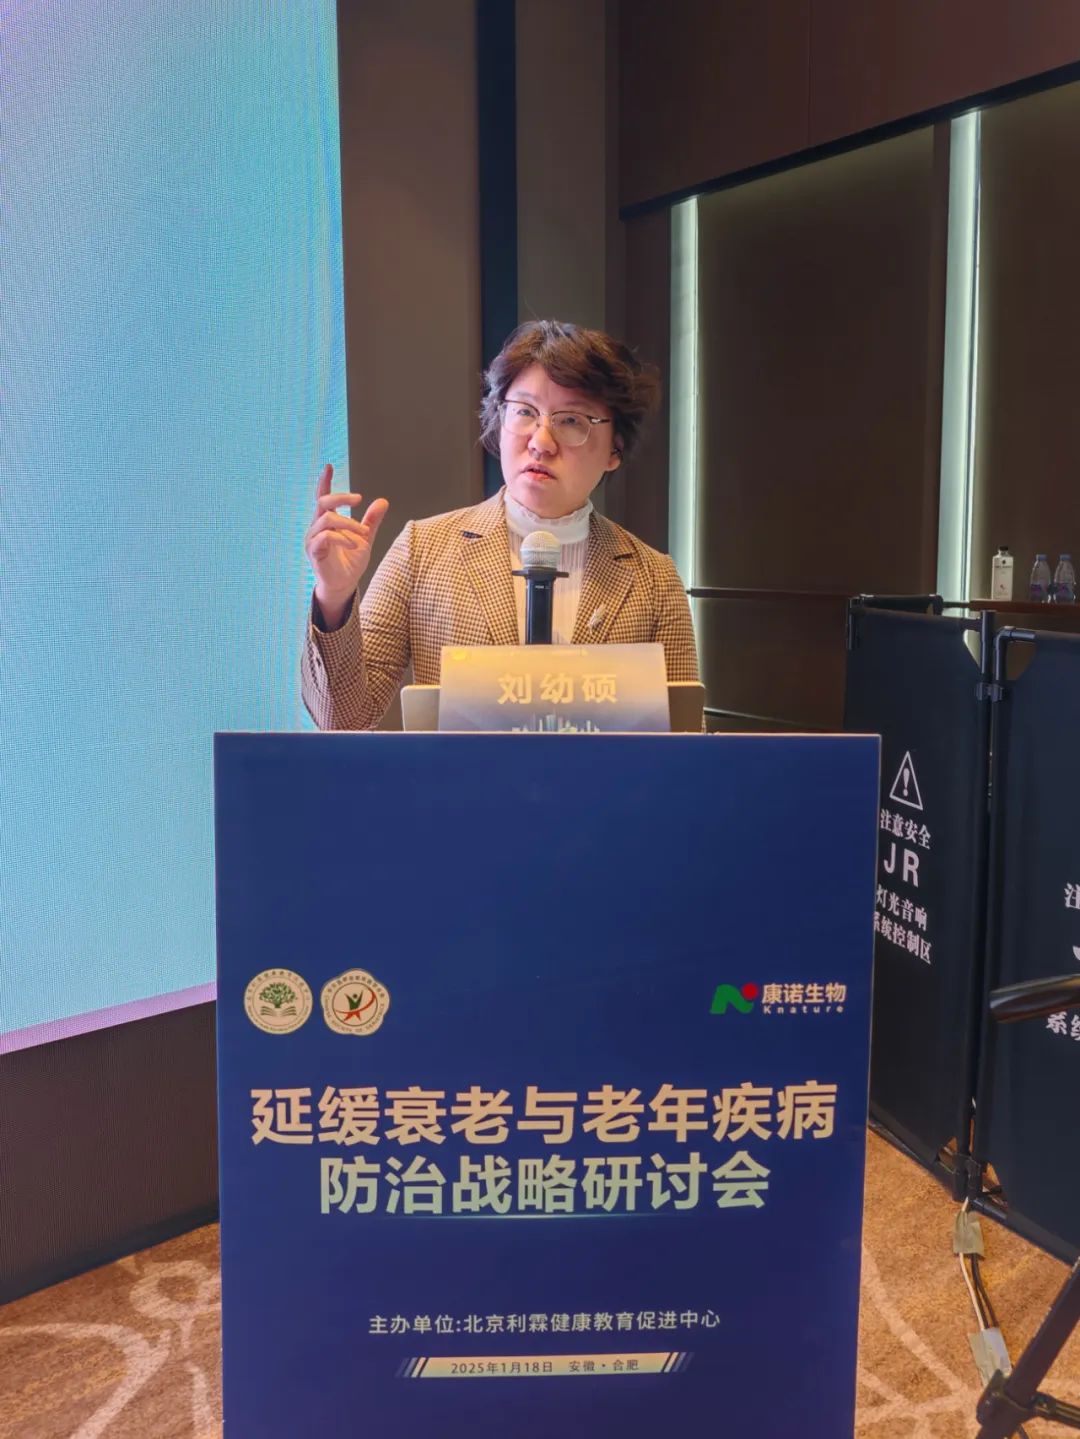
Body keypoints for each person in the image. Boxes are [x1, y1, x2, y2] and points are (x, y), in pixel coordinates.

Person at [301, 319, 699, 730]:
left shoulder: (653, 579)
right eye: (524, 412)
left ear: (615, 449)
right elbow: (343, 718)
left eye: (571, 421)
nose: (541, 442)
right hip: (462, 776)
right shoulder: (422, 549)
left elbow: (685, 739)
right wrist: (334, 595)